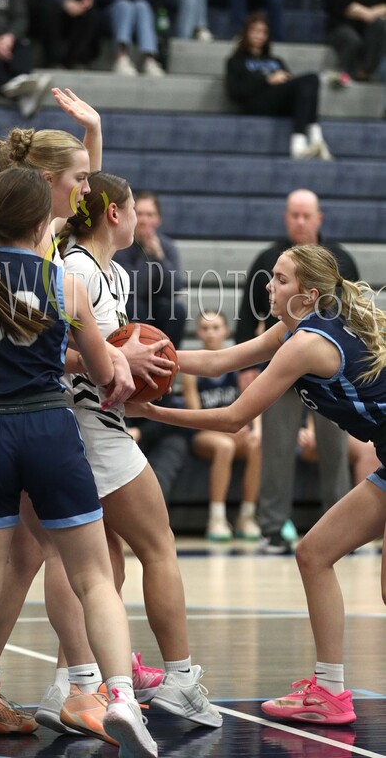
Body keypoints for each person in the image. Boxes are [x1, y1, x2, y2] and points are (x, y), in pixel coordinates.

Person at [0, 92, 166, 737]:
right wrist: (109, 360)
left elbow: (94, 214)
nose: (88, 191)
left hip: (1, 402)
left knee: (21, 556)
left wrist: (94, 130)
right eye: (79, 179)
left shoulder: (38, 237)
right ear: (48, 188)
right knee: (9, 560)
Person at [130, 242, 386, 726]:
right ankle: (330, 691)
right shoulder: (293, 330)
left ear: (308, 295)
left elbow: (232, 418)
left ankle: (330, 691)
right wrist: (145, 353)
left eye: (281, 280)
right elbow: (218, 361)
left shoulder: (308, 344)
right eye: (271, 277)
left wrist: (151, 411)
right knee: (313, 553)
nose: (268, 286)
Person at [56, 171, 223, 734]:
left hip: (96, 421)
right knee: (159, 545)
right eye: (131, 209)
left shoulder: (115, 274)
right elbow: (61, 353)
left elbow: (115, 354)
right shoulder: (76, 268)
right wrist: (126, 367)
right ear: (114, 215)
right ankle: (180, 679)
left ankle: (77, 684)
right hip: (88, 425)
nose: (138, 219)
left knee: (105, 565)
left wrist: (136, 367)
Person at [234, 188, 359, 554]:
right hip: (282, 367)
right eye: (294, 215)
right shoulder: (268, 259)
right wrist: (247, 371)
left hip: (329, 371)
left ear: (319, 218)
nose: (300, 221)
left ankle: (343, 528)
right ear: (286, 218)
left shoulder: (341, 261)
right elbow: (248, 316)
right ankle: (272, 529)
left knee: (334, 448)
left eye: (307, 215)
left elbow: (354, 316)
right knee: (275, 446)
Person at [182, 311, 261, 541]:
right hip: (204, 433)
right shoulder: (191, 368)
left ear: (226, 332)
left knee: (257, 444)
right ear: (198, 333)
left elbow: (254, 403)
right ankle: (216, 518)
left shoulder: (237, 363)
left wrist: (254, 430)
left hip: (233, 429)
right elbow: (195, 416)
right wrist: (228, 429)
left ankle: (247, 517)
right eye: (205, 328)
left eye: (216, 327)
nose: (211, 333)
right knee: (225, 446)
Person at [226, 12, 333, 160]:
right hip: (256, 102)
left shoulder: (276, 60)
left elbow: (292, 86)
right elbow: (234, 93)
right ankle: (307, 140)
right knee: (308, 81)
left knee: (311, 80)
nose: (260, 35)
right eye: (255, 31)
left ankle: (311, 140)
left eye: (264, 32)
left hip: (280, 102)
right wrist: (267, 80)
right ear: (246, 32)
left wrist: (284, 79)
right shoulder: (236, 61)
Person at [115, 190, 186, 349]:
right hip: (130, 305)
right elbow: (133, 289)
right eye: (139, 214)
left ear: (158, 220)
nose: (144, 220)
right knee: (135, 307)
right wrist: (147, 255)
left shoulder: (167, 246)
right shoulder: (121, 244)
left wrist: (160, 257)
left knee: (176, 310)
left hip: (157, 306)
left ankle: (167, 359)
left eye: (149, 214)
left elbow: (175, 288)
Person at [93, 0, 165, 76]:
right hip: (109, 14)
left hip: (135, 14)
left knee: (142, 5)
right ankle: (121, 57)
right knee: (124, 5)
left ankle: (149, 59)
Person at [23, 0, 99, 69]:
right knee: (49, 7)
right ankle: (53, 61)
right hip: (42, 11)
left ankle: (76, 60)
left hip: (70, 10)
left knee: (90, 11)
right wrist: (64, 2)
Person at [325, 0, 386, 82]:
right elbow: (339, 2)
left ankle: (366, 71)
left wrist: (373, 13)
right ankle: (345, 75)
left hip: (375, 23)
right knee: (352, 39)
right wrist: (367, 13)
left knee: (380, 26)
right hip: (343, 23)